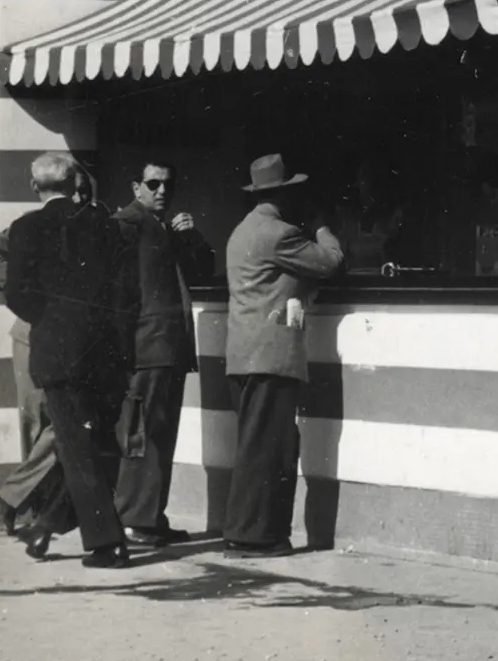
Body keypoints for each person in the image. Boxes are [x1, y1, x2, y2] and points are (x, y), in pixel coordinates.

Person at [3, 152, 136, 569]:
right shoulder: (103, 224)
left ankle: (106, 544)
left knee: (77, 448)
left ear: (34, 185)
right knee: (95, 444)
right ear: (74, 182)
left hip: (57, 353)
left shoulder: (26, 228)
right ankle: (45, 523)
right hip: (105, 351)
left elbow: (18, 294)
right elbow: (125, 290)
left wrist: (50, 319)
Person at [223, 154, 347, 558]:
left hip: (246, 352)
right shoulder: (280, 234)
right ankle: (255, 536)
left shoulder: (243, 230)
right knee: (270, 449)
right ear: (284, 192)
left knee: (256, 447)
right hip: (271, 354)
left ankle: (248, 532)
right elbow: (331, 262)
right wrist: (322, 226)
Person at [0, 164, 104, 546]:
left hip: (68, 341)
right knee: (41, 423)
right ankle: (26, 507)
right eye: (76, 191)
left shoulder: (93, 224)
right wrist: (28, 288)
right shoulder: (32, 226)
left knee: (64, 426)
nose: (80, 199)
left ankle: (14, 499)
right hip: (33, 335)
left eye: (86, 193)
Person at [112, 161, 214, 548]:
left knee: (160, 435)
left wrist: (190, 238)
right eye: (152, 184)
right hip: (145, 349)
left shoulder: (163, 228)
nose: (161, 191)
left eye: (167, 185)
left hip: (166, 348)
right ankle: (135, 517)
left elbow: (203, 270)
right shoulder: (127, 224)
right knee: (142, 435)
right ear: (136, 186)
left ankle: (150, 516)